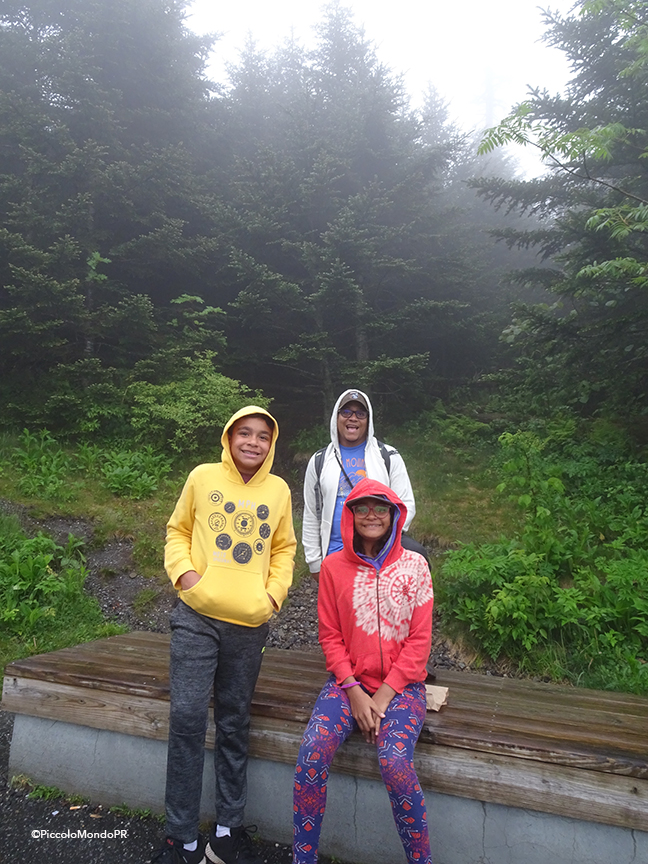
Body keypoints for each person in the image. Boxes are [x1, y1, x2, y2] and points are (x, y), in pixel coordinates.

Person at [153, 406, 296, 864]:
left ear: (271, 444)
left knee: (235, 723)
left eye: (262, 436)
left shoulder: (279, 490)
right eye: (244, 433)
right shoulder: (202, 477)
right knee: (188, 717)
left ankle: (227, 831)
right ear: (229, 438)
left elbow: (284, 549)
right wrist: (185, 576)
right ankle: (181, 839)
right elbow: (177, 531)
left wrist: (271, 597)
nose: (253, 442)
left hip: (249, 626)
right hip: (196, 617)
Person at [293, 478, 434, 864]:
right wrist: (354, 692)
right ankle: (303, 858)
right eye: (363, 508)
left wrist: (383, 696)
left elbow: (420, 642)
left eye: (381, 507)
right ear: (350, 514)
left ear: (394, 514)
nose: (372, 515)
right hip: (347, 684)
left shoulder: (415, 565)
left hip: (403, 689)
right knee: (312, 751)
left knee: (394, 761)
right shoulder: (333, 567)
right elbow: (330, 636)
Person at [302, 388, 418, 581]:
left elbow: (406, 504)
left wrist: (386, 542)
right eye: (346, 412)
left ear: (368, 419)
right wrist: (314, 561)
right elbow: (311, 514)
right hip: (334, 555)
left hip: (379, 555)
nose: (353, 418)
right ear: (336, 417)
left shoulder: (388, 456)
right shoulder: (319, 460)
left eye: (360, 413)